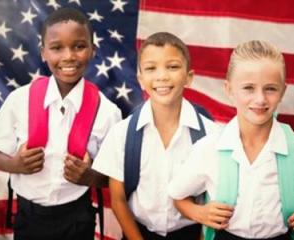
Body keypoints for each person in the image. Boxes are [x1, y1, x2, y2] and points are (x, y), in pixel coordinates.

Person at [168, 40, 294, 240]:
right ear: (229, 90)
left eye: (270, 89)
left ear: (283, 91)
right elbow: (178, 195)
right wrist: (199, 213)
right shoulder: (209, 148)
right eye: (248, 88)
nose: (260, 99)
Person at [0, 7, 121, 240]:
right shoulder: (19, 100)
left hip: (76, 218)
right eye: (56, 48)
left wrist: (89, 177)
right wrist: (15, 164)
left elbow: (114, 176)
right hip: (28, 217)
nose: (68, 57)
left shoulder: (107, 112)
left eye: (79, 46)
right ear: (43, 52)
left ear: (93, 50)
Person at [87, 32, 218, 240]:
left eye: (172, 67)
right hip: (138, 233)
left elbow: (214, 197)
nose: (162, 76)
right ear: (140, 79)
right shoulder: (122, 134)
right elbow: (118, 200)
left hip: (191, 233)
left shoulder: (212, 135)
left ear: (189, 77)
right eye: (151, 68)